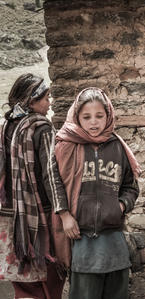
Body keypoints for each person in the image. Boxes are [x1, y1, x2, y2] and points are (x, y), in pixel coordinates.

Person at [53, 87, 141, 299]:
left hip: (113, 236)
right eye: (87, 117)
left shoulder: (118, 146)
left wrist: (119, 206)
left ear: (108, 115)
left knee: (116, 292)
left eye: (99, 116)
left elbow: (131, 187)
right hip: (81, 237)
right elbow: (54, 183)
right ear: (77, 117)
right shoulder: (66, 146)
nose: (94, 122)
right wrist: (64, 215)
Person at [0, 73, 67, 299]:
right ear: (31, 101)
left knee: (23, 282)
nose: (50, 103)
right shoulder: (43, 129)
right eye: (46, 98)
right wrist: (63, 211)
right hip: (38, 215)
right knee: (48, 275)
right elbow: (50, 173)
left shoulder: (6, 127)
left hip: (10, 216)